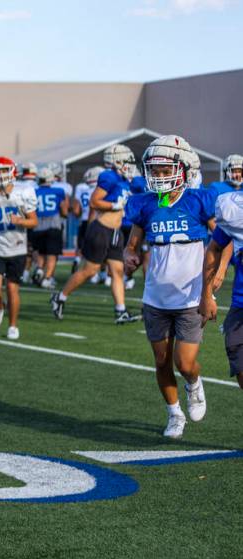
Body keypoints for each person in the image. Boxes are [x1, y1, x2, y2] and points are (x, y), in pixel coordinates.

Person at [124, 135, 213, 439]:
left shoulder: (199, 201)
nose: (159, 177)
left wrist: (211, 286)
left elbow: (221, 241)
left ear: (184, 168)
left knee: (185, 363)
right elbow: (132, 244)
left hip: (189, 296)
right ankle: (174, 414)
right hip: (156, 297)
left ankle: (194, 384)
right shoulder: (146, 204)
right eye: (155, 171)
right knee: (162, 361)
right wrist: (130, 255)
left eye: (165, 171)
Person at [50, 144, 140, 324]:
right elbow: (94, 201)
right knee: (89, 271)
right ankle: (60, 297)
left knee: (117, 271)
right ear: (117, 161)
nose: (130, 164)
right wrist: (114, 205)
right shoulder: (109, 176)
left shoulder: (126, 179)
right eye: (127, 161)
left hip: (116, 232)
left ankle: (120, 311)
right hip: (101, 229)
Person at [0, 157, 38, 340]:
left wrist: (21, 220)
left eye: (4, 171)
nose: (1, 175)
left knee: (12, 289)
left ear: (12, 172)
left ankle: (13, 326)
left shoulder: (23, 191)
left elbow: (34, 221)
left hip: (17, 248)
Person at [203, 189, 243, 394]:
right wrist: (207, 294)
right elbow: (215, 247)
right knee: (235, 348)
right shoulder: (234, 208)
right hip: (240, 300)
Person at [30, 165, 70, 289]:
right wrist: (65, 215)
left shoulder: (33, 192)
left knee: (41, 252)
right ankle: (47, 278)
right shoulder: (59, 191)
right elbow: (64, 211)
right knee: (52, 254)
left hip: (37, 226)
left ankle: (40, 269)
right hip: (53, 224)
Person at [72, 166, 103, 274]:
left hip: (84, 221)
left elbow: (76, 211)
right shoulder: (102, 189)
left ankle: (77, 260)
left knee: (82, 246)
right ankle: (100, 274)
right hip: (99, 221)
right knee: (100, 248)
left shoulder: (81, 188)